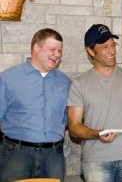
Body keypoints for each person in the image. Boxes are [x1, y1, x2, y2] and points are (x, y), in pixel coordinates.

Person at [67, 24, 122, 182]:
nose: (112, 51)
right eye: (105, 47)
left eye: (113, 45)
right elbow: (74, 127)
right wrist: (97, 134)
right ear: (91, 51)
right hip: (95, 161)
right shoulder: (79, 84)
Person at [0, 28, 71, 182]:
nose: (57, 54)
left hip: (53, 156)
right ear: (36, 48)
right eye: (52, 49)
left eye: (60, 51)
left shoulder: (65, 82)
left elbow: (67, 119)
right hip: (16, 154)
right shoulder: (8, 78)